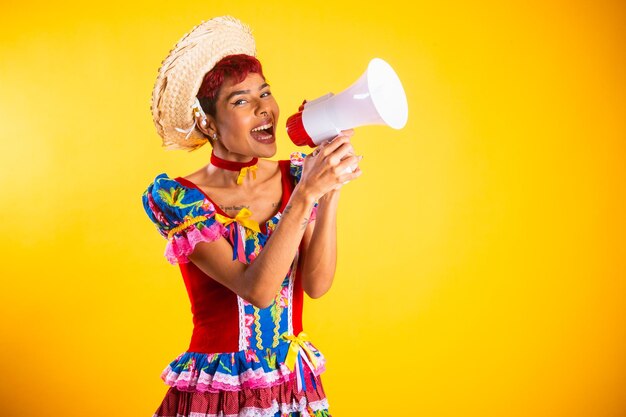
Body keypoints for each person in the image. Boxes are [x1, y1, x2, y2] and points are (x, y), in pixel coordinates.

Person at [142, 16, 362, 417]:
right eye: (241, 101)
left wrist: (330, 192)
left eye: (265, 92)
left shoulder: (296, 174)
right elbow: (257, 291)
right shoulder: (179, 197)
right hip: (219, 388)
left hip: (292, 384)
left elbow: (315, 283)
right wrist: (307, 193)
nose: (265, 109)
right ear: (208, 122)